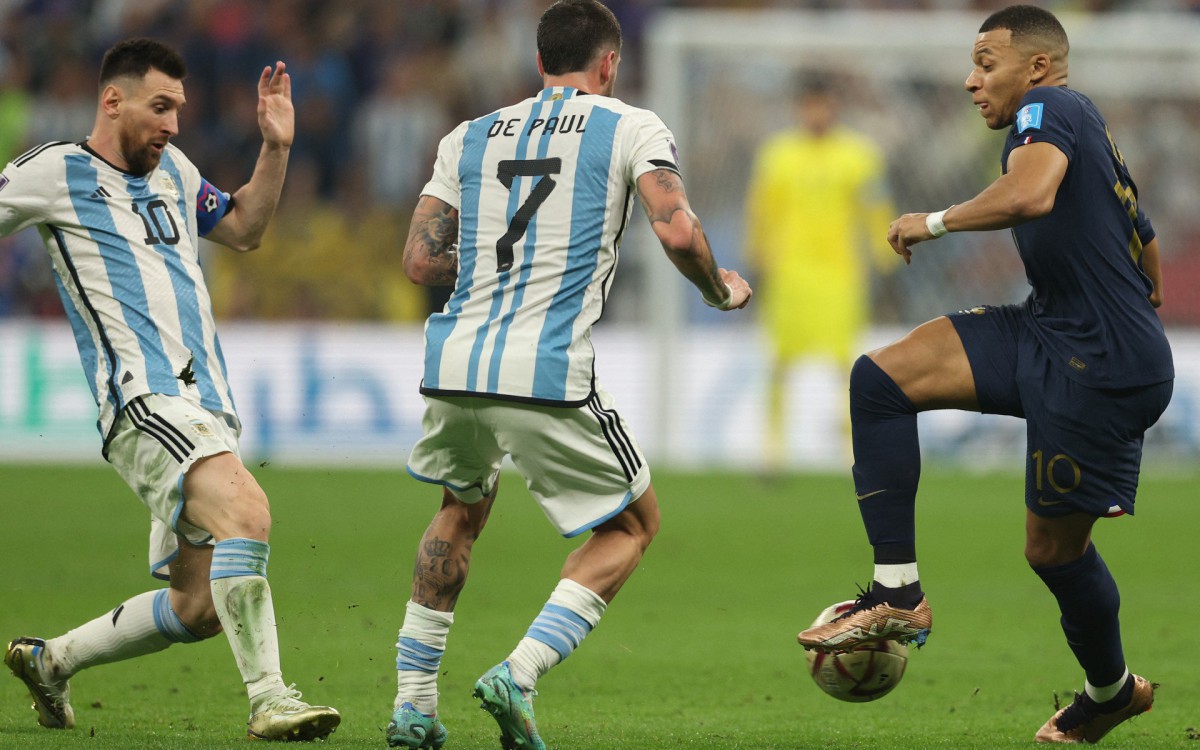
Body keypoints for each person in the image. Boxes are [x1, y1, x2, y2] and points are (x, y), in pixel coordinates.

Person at [796, 5, 1171, 745]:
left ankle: (1111, 693)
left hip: (1095, 364)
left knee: (1051, 552)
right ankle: (898, 591)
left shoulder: (1048, 105)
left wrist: (930, 223)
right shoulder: (1078, 122)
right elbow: (1145, 241)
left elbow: (1030, 196)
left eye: (985, 63)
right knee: (881, 379)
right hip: (1053, 329)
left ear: (1035, 66)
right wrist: (1134, 298)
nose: (971, 82)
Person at [386, 2, 751, 748]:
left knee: (461, 507)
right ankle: (516, 674)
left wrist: (491, 262)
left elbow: (420, 260)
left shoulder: (471, 134)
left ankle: (412, 708)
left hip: (453, 359)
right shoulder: (629, 125)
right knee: (632, 523)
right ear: (609, 63)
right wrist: (720, 289)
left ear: (540, 58)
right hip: (543, 363)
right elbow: (677, 228)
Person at [0, 38, 340, 742]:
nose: (174, 125)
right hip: (141, 401)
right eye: (161, 108)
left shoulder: (174, 172)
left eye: (179, 110)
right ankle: (270, 697)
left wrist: (275, 147)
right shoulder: (54, 171)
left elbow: (244, 229)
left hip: (206, 403)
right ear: (112, 101)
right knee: (247, 508)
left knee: (198, 607)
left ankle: (54, 660)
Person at [745, 77, 895, 471]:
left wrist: (886, 259)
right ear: (799, 108)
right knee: (778, 361)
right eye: (809, 106)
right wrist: (756, 261)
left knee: (846, 365)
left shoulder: (859, 156)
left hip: (841, 274)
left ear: (834, 107)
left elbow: (875, 210)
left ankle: (851, 449)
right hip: (788, 273)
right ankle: (771, 450)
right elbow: (761, 211)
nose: (816, 114)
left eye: (822, 106)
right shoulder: (777, 155)